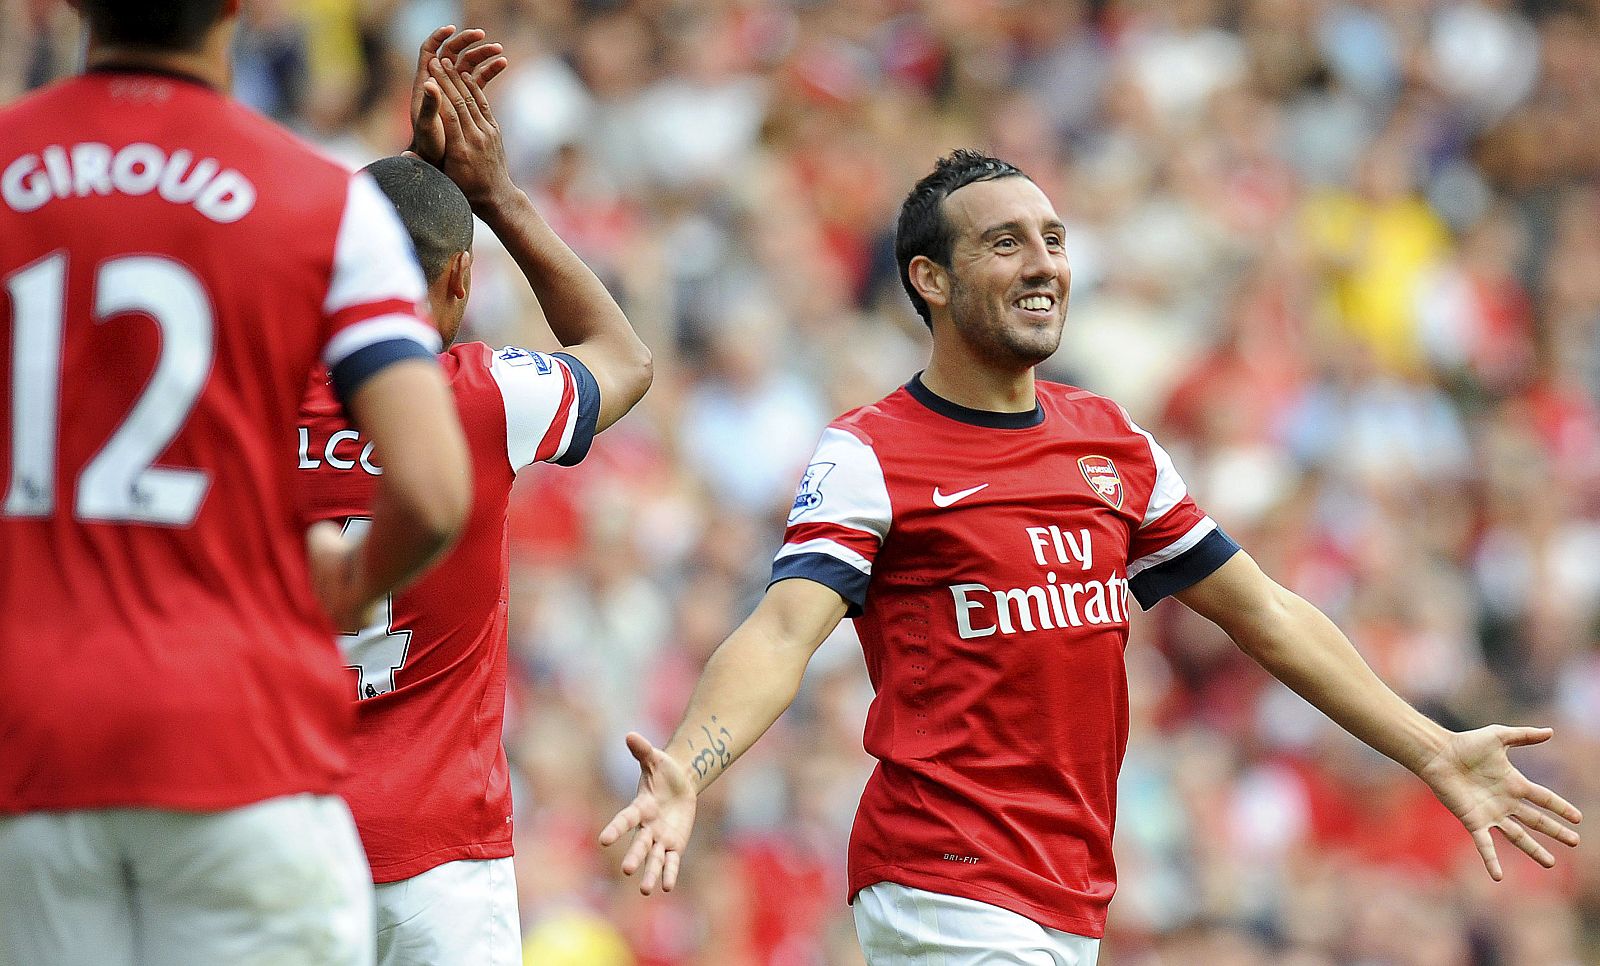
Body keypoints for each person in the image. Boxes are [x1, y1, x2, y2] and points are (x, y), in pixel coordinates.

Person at [601, 151, 1582, 963]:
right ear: (928, 280)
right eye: (1004, 243)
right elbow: (782, 632)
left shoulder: (1111, 444)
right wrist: (690, 763)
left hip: (1068, 892)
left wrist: (1430, 746)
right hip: (942, 881)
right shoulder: (872, 454)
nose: (1042, 264)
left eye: (1054, 240)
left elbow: (1267, 615)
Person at [0, 2, 473, 964]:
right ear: (236, 9)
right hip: (234, 737)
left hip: (27, 740)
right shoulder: (324, 203)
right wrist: (344, 584)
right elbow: (430, 490)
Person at [296, 32, 652, 966]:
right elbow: (624, 358)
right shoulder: (484, 396)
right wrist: (493, 194)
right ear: (459, 280)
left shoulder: (245, 396)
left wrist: (401, 185)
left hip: (276, 839)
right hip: (437, 862)